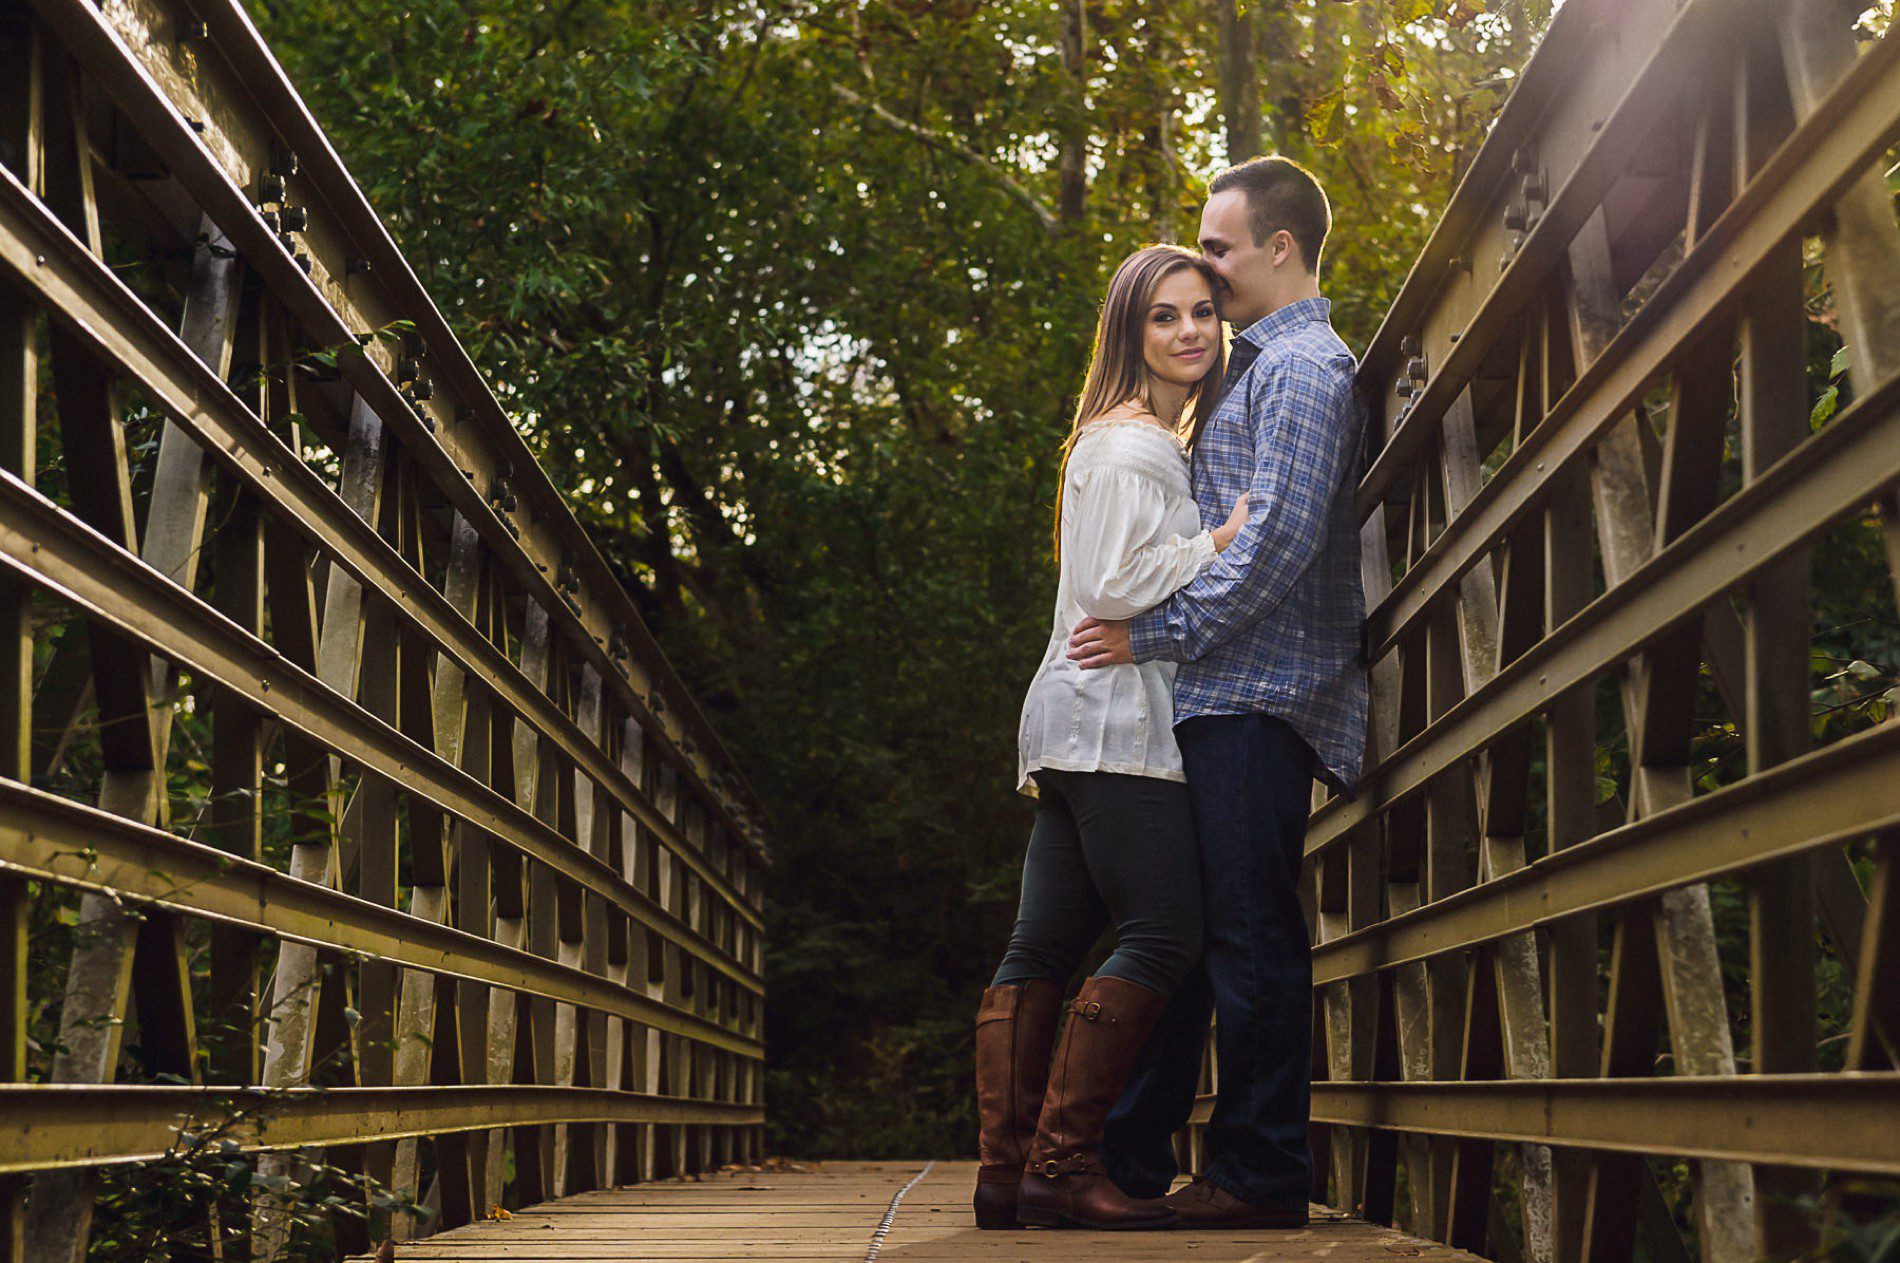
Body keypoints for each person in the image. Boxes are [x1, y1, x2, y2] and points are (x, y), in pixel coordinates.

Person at [1066, 156, 1368, 1230]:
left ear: (1279, 247)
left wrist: (1154, 635)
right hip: (1220, 693)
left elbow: (1276, 544)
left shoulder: (1302, 372)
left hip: (1260, 694)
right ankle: (1127, 1158)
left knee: (1247, 935)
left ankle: (1258, 1173)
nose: (1208, 263)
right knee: (1196, 930)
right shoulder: (1257, 369)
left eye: (1221, 247)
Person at [974, 244, 1251, 1232]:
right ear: (1128, 334)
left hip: (1073, 722)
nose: (1189, 333)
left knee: (1041, 941)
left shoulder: (1115, 439)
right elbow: (1116, 591)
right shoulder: (1135, 446)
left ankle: (1006, 1175)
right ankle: (1058, 1164)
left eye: (1202, 314)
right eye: (1163, 317)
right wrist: (1215, 542)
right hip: (1114, 723)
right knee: (1165, 931)